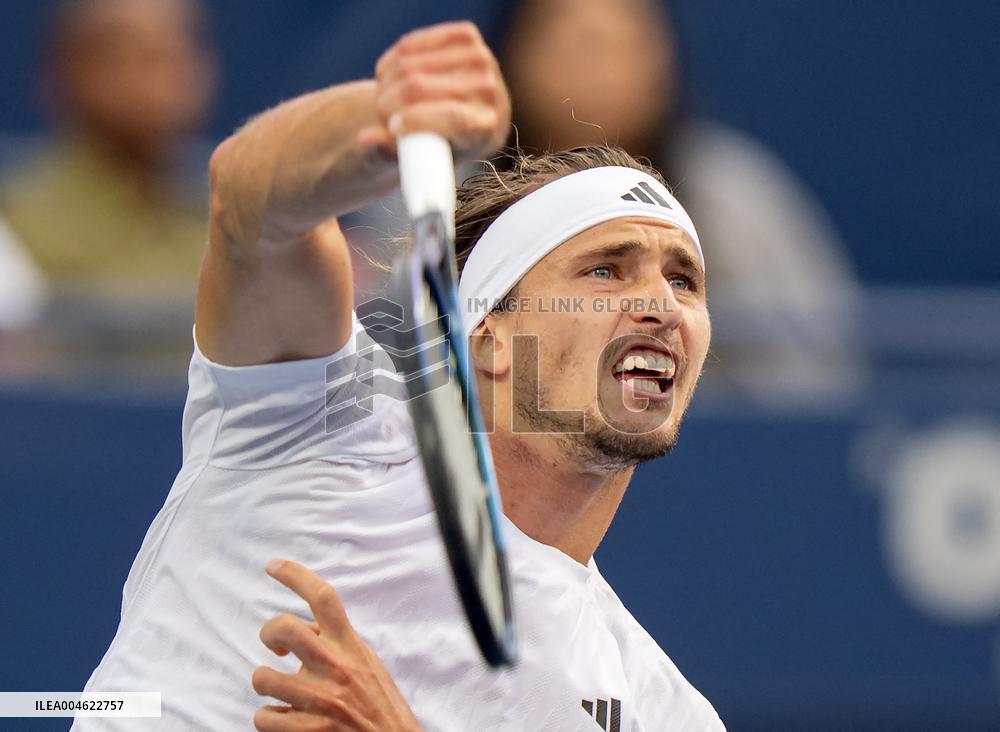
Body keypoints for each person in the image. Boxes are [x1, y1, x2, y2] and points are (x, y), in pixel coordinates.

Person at [76, 21, 724, 731]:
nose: (661, 306)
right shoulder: (319, 424)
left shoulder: (664, 713)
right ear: (488, 337)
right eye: (605, 271)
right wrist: (385, 119)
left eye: (683, 281)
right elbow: (251, 204)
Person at [499, 0, 864, 405]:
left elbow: (813, 380)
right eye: (580, 43)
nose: (599, 68)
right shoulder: (465, 199)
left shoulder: (728, 198)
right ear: (515, 56)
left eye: (626, 43)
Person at [0, 0, 216, 303]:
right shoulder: (17, 229)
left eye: (181, 53)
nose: (171, 80)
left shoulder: (226, 218)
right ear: (73, 71)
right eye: (146, 58)